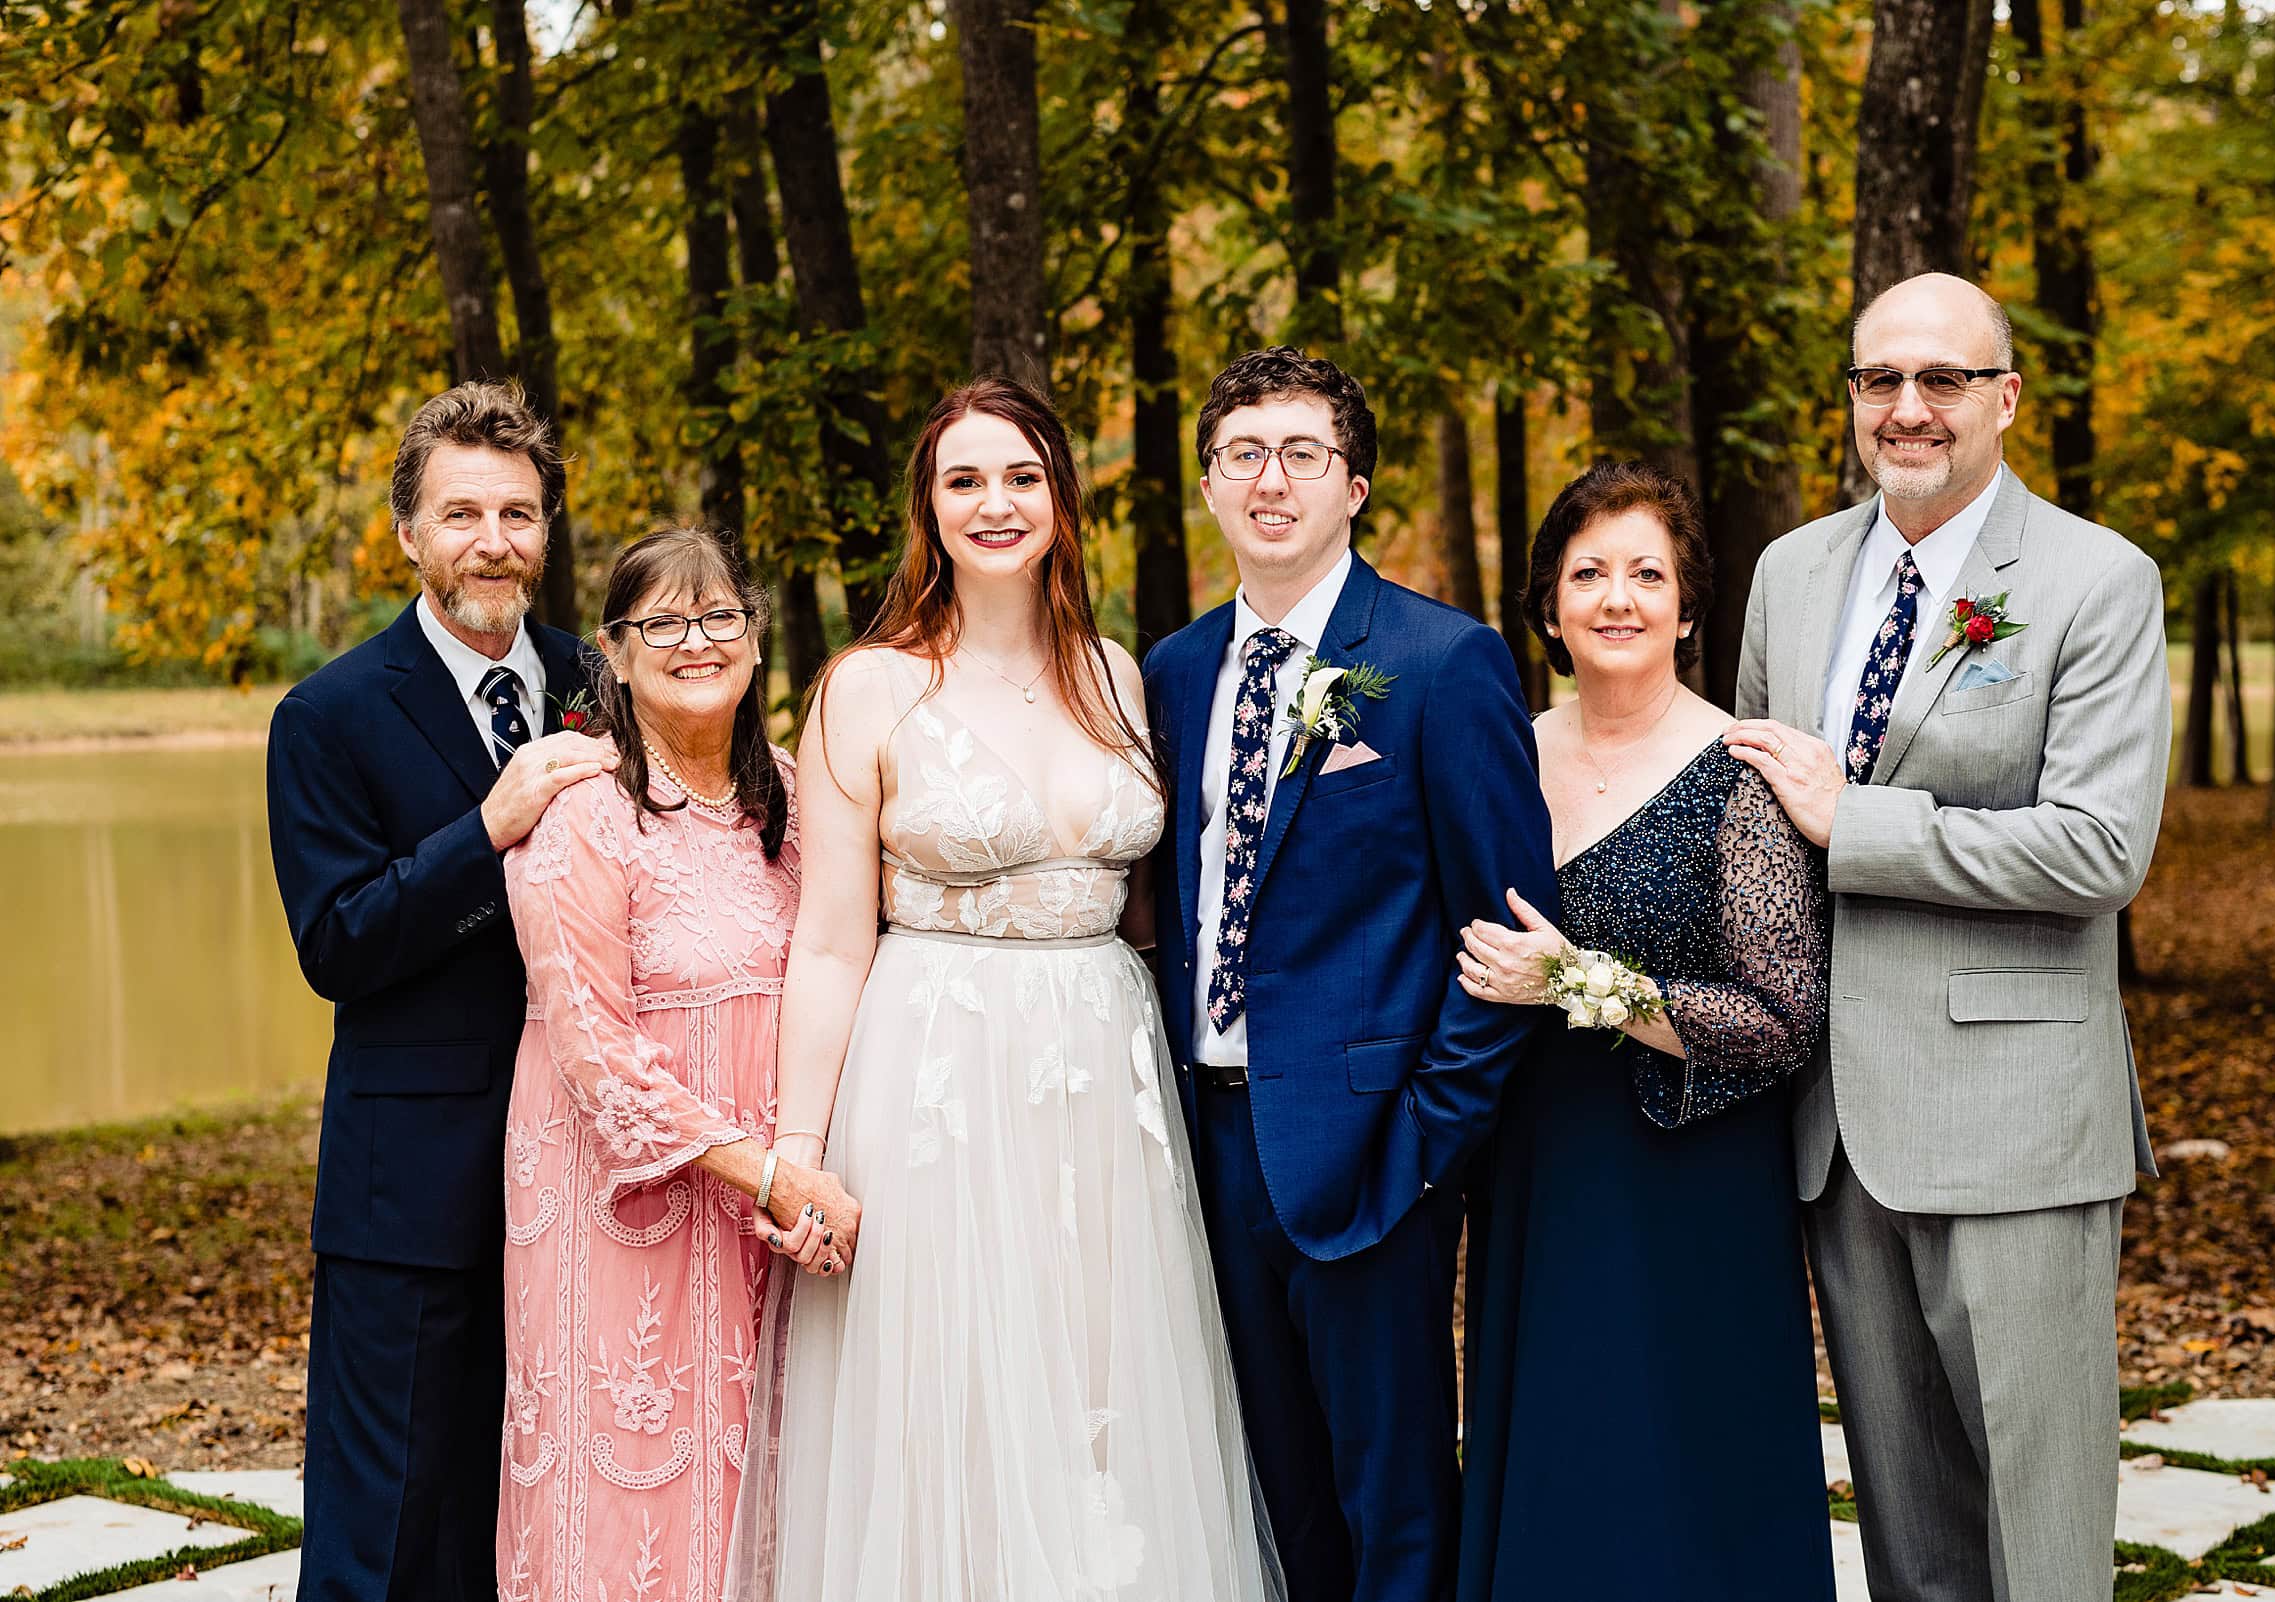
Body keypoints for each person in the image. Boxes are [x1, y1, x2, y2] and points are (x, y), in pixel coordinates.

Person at [728, 377, 1275, 1601]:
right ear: (928, 505)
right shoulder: (867, 687)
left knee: (1104, 1381)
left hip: (1104, 1077)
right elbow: (826, 943)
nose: (996, 503)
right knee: (953, 1385)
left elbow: (1151, 913)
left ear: (1060, 500)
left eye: (1023, 476)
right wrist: (797, 1154)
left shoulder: (1118, 676)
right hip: (939, 1071)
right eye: (965, 479)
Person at [1723, 272, 2170, 1602]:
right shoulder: (1791, 573)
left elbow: (2099, 849)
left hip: (2017, 1119)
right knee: (1911, 1549)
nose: (1908, 410)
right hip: (1836, 1127)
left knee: (2038, 1544)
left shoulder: (2095, 580)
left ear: (2006, 398)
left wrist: (1858, 824)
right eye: (1880, 382)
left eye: (1944, 380)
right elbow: (1755, 822)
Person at [1142, 348, 1553, 1602]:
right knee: (1276, 1499)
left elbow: (1510, 931)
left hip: (1376, 1152)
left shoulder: (1441, 661)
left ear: (1356, 482)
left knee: (1398, 1508)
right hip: (1203, 1149)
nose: (1272, 481)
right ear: (1209, 486)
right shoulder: (1169, 674)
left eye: (1302, 454)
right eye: (1243, 456)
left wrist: (1427, 1144)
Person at [1448, 463, 1834, 1601]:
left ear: (1688, 603)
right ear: (1550, 605)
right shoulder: (1502, 754)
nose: (1618, 598)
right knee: (1560, 1448)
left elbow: (1781, 1020)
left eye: (1647, 574)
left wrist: (1583, 985)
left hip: (1690, 1177)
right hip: (1533, 1163)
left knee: (1681, 1463)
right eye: (1589, 573)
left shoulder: (1743, 772)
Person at [266, 382, 610, 1602]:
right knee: (392, 1528)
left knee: (540, 1507)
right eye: (461, 512)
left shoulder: (596, 682)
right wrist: (487, 829)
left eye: (519, 513)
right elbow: (339, 943)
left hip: (586, 1178)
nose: (494, 541)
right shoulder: (328, 716)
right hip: (412, 1187)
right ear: (407, 531)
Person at [496, 526, 850, 1601]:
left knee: (775, 1469)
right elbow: (595, 1060)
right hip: (623, 1211)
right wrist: (766, 1172)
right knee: (636, 1495)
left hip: (777, 1213)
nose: (697, 641)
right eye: (665, 622)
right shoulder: (582, 817)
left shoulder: (799, 802)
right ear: (614, 650)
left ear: (753, 637)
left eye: (719, 617)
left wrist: (806, 1171)